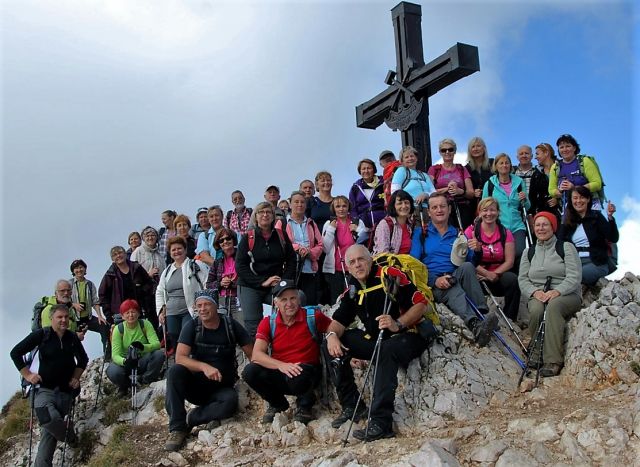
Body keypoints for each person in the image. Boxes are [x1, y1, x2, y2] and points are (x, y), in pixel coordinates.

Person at [324, 245, 432, 441]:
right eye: (352, 262)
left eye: (361, 259)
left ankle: (381, 423)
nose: (357, 265)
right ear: (347, 268)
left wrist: (397, 323)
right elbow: (339, 321)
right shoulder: (353, 289)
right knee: (330, 341)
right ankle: (352, 406)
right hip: (378, 340)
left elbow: (420, 304)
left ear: (370, 259)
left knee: (386, 350)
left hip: (409, 335)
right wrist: (331, 335)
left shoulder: (389, 275)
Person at [164, 289, 252, 452]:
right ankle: (177, 428)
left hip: (222, 388)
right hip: (196, 387)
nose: (202, 309)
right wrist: (204, 367)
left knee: (230, 403)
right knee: (175, 371)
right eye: (199, 305)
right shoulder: (192, 326)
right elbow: (180, 358)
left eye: (206, 304)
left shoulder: (230, 326)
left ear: (216, 305)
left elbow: (252, 354)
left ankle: (193, 418)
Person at [410, 193, 498, 346]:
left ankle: (483, 314)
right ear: (429, 212)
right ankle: (475, 325)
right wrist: (435, 280)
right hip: (433, 282)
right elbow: (414, 265)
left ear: (449, 209)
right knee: (452, 287)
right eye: (434, 207)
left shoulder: (458, 233)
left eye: (442, 206)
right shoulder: (421, 233)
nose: (439, 210)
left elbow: (470, 261)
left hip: (455, 274)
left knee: (467, 266)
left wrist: (477, 250)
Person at [243, 280, 331, 425]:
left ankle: (305, 406)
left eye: (293, 298)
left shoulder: (312, 316)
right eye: (283, 299)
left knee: (299, 373)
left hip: (306, 371)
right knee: (250, 372)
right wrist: (281, 365)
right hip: (282, 370)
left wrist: (333, 335)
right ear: (276, 303)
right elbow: (257, 355)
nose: (289, 303)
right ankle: (277, 404)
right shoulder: (268, 322)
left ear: (299, 299)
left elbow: (333, 327)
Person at [11, 304, 88, 466]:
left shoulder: (72, 338)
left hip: (65, 392)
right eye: (59, 317)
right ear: (51, 319)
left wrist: (76, 377)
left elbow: (83, 359)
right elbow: (15, 352)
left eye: (66, 317)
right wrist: (28, 375)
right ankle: (71, 438)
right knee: (49, 419)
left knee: (49, 434)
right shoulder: (42, 335)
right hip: (43, 390)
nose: (63, 320)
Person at [519, 212, 582, 377]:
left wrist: (557, 291)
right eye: (538, 225)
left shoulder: (566, 247)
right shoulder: (529, 252)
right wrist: (535, 292)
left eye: (545, 224)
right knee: (536, 310)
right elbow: (523, 279)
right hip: (539, 293)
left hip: (566, 294)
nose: (541, 228)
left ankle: (553, 360)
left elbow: (574, 276)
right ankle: (537, 352)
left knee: (553, 307)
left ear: (553, 227)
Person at [236, 202, 297, 337]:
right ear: (255, 217)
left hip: (275, 283)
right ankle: (256, 356)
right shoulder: (248, 237)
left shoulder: (281, 236)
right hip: (250, 284)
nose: (265, 215)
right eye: (261, 212)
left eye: (268, 212)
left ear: (273, 216)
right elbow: (240, 266)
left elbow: (292, 259)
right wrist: (262, 282)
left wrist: (283, 281)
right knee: (254, 326)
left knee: (299, 299)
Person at [464, 198, 521, 321]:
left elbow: (510, 261)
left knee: (513, 280)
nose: (489, 214)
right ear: (479, 213)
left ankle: (510, 318)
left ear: (498, 212)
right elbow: (465, 258)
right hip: (478, 274)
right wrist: (486, 274)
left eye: (492, 210)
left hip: (498, 273)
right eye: (485, 210)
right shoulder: (471, 232)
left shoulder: (505, 233)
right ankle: (476, 318)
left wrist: (494, 274)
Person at [557, 186, 618, 285]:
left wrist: (610, 217)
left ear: (588, 199)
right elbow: (559, 243)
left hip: (596, 262)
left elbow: (613, 237)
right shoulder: (568, 221)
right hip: (574, 263)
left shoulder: (596, 217)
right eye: (575, 198)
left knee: (576, 277)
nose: (578, 201)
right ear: (571, 200)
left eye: (582, 197)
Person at [157, 236, 209, 352]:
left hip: (189, 310)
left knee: (188, 335)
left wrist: (202, 302)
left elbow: (206, 283)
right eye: (173, 250)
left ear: (185, 250)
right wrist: (161, 310)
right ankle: (180, 364)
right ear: (170, 253)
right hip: (171, 312)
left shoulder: (196, 264)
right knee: (174, 336)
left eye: (179, 248)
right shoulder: (167, 271)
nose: (177, 252)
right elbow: (160, 291)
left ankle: (193, 363)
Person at [107, 299, 164, 396]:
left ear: (138, 313)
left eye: (133, 312)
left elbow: (157, 344)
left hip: (142, 360)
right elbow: (115, 355)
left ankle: (146, 380)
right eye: (127, 312)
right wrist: (125, 361)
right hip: (127, 362)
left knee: (159, 354)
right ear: (122, 316)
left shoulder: (145, 324)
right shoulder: (118, 329)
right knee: (113, 371)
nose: (130, 315)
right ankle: (125, 385)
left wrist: (143, 347)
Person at [482, 153, 531, 265]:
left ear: (510, 165)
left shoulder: (519, 182)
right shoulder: (489, 184)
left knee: (519, 252)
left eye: (507, 163)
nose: (504, 165)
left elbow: (527, 207)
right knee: (501, 254)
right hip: (498, 225)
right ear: (496, 166)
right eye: (501, 163)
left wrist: (525, 199)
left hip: (517, 225)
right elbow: (483, 206)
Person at [99, 245, 157, 327]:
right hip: (119, 315)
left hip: (139, 311)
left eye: (120, 253)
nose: (118, 256)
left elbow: (149, 283)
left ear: (125, 254)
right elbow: (103, 295)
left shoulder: (137, 268)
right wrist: (108, 315)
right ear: (112, 259)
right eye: (115, 254)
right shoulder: (110, 274)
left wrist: (143, 292)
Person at [322, 196, 365, 304]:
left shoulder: (357, 222)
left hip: (355, 267)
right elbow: (325, 248)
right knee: (336, 300)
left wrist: (357, 230)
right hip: (335, 269)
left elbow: (364, 242)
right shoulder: (328, 224)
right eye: (338, 206)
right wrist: (331, 229)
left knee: (355, 297)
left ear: (348, 207)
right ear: (334, 208)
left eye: (344, 206)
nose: (341, 209)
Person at [284, 191, 323, 305]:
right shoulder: (283, 223)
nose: (299, 205)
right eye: (296, 202)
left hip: (309, 269)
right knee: (292, 304)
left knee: (309, 304)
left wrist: (310, 253)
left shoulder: (311, 223)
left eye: (302, 202)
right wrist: (298, 248)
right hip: (290, 271)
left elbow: (320, 244)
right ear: (290, 204)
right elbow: (282, 242)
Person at [428, 138, 474, 229]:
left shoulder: (461, 169)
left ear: (455, 151)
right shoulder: (434, 169)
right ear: (440, 152)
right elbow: (429, 191)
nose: (447, 152)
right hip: (441, 209)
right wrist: (447, 189)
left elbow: (471, 193)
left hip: (461, 209)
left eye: (450, 149)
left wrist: (460, 191)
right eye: (444, 150)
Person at [549, 133, 604, 211]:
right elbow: (551, 190)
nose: (564, 149)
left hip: (590, 205)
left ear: (574, 148)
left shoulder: (585, 161)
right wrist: (560, 190)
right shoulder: (555, 167)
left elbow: (597, 183)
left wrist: (575, 188)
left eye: (568, 146)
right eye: (561, 147)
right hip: (569, 207)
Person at [69, 259, 110, 357]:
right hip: (75, 319)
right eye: (76, 268)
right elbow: (64, 300)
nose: (79, 270)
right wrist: (74, 305)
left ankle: (107, 355)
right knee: (72, 339)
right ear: (73, 271)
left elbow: (95, 301)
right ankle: (73, 361)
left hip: (88, 318)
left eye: (81, 267)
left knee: (104, 326)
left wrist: (100, 316)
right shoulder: (69, 284)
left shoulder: (90, 284)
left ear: (84, 269)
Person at [206, 228, 241, 321]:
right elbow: (208, 285)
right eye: (221, 240)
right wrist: (220, 283)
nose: (225, 242)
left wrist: (232, 283)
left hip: (240, 300)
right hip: (222, 302)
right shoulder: (217, 262)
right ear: (219, 244)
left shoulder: (242, 257)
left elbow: (248, 278)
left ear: (233, 240)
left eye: (228, 238)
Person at [348, 158, 385, 244]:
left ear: (374, 170)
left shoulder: (383, 183)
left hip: (382, 220)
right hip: (363, 223)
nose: (366, 171)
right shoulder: (356, 187)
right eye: (363, 169)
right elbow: (352, 208)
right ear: (360, 171)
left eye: (369, 168)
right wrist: (355, 222)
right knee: (363, 246)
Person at [390, 146, 435, 211]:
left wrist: (426, 194)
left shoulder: (424, 175)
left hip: (429, 210)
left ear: (416, 158)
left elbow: (434, 192)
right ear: (402, 161)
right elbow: (395, 193)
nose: (410, 158)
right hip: (410, 211)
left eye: (412, 156)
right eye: (406, 157)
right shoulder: (401, 171)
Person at [372, 190, 415, 256]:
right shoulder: (385, 224)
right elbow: (383, 253)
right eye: (399, 203)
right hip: (389, 264)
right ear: (393, 206)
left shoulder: (410, 225)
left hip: (408, 264)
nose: (404, 206)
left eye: (406, 203)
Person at [529, 142, 560, 219]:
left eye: (537, 154)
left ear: (546, 153)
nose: (535, 157)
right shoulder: (536, 175)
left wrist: (558, 200)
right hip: (543, 215)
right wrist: (532, 215)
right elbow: (532, 197)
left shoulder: (562, 168)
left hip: (562, 214)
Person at [465, 136, 493, 217]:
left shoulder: (493, 163)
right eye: (473, 147)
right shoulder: (466, 168)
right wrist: (473, 192)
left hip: (492, 202)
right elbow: (465, 188)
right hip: (474, 205)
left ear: (484, 148)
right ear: (470, 150)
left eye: (478, 146)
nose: (476, 149)